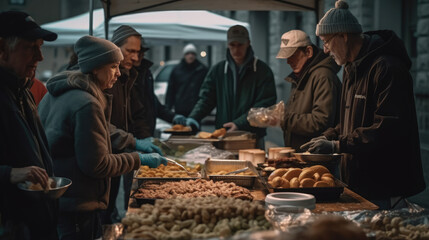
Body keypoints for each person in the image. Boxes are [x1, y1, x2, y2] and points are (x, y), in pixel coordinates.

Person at [38, 35, 167, 239]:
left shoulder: (59, 93)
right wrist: (137, 159)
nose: (118, 73)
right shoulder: (86, 103)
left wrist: (134, 142)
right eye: (113, 66)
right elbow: (98, 165)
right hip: (78, 206)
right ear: (95, 67)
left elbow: (100, 129)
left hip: (59, 199)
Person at [301, 0, 425, 209]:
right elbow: (349, 123)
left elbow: (387, 127)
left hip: (385, 184)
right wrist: (329, 135)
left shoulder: (388, 68)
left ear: (343, 36)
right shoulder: (351, 68)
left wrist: (337, 145)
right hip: (358, 181)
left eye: (326, 41)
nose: (325, 50)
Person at [0, 11, 58, 240]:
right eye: (30, 47)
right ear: (2, 48)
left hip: (37, 222)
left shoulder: (23, 90)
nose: (40, 57)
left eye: (40, 47)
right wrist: (9, 174)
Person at [103, 26, 169, 224]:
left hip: (117, 153)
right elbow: (100, 125)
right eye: (130, 51)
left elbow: (139, 112)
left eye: (138, 52)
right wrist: (135, 142)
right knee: (101, 214)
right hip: (103, 159)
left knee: (108, 210)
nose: (135, 57)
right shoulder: (102, 81)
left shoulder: (126, 78)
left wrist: (144, 138)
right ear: (115, 49)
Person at [185, 25, 277, 148]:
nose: (236, 50)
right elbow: (206, 99)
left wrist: (239, 123)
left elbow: (265, 104)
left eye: (240, 45)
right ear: (227, 44)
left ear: (248, 43)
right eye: (232, 45)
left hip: (252, 138)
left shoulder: (262, 71)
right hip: (223, 137)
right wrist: (194, 117)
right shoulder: (218, 70)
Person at [276, 30, 341, 151]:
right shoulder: (301, 75)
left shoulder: (323, 76)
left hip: (316, 156)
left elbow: (321, 122)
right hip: (304, 155)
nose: (288, 61)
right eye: (286, 56)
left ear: (308, 51)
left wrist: (283, 118)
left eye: (292, 55)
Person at [133, 36, 186, 135]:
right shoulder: (125, 76)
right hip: (134, 136)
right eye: (134, 52)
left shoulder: (145, 73)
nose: (137, 57)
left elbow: (153, 103)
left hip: (145, 133)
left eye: (141, 53)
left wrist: (172, 116)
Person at [165, 43, 208, 117]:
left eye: (192, 53)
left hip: (196, 108)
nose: (190, 56)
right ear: (184, 55)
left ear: (195, 55)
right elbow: (171, 90)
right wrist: (168, 108)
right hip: (181, 108)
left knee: (195, 127)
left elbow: (206, 89)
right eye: (188, 53)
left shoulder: (202, 70)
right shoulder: (177, 70)